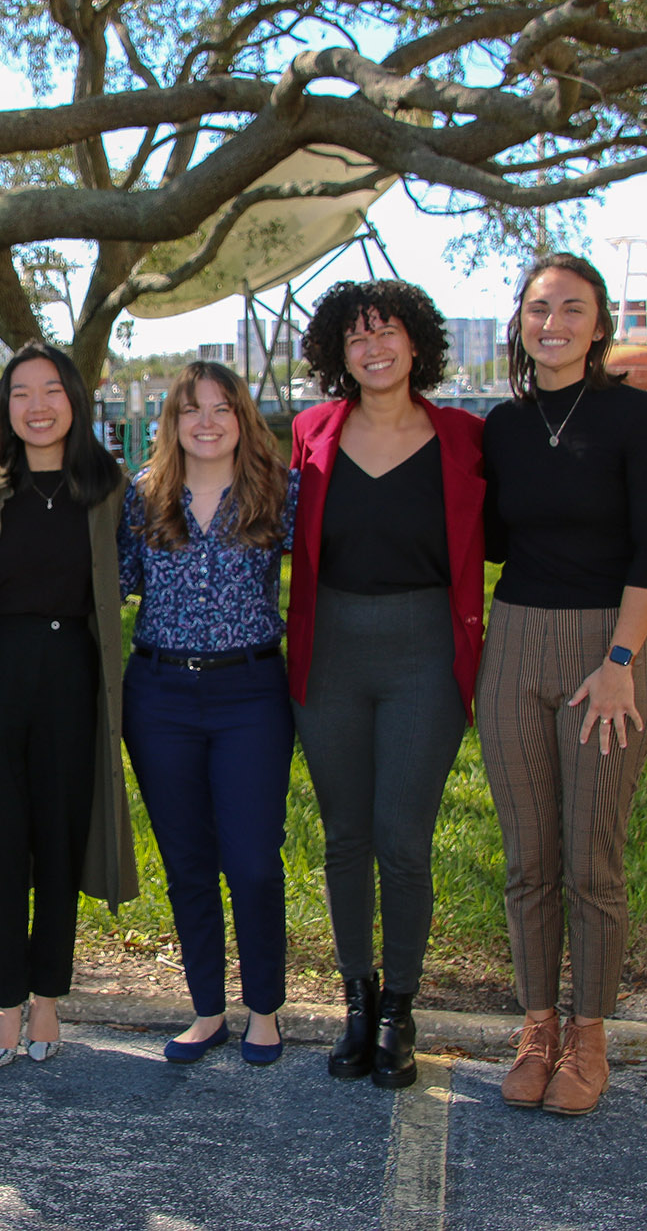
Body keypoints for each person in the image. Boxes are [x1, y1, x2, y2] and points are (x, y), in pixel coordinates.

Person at [479, 253, 647, 1116]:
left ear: (598, 324)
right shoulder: (502, 425)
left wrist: (622, 664)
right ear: (518, 321)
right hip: (515, 642)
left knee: (591, 861)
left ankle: (589, 1033)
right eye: (537, 308)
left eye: (571, 308)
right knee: (528, 859)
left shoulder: (637, 416)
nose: (552, 321)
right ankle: (536, 1028)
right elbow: (486, 539)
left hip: (610, 650)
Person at [288, 281, 487, 1090]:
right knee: (345, 838)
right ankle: (357, 1002)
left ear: (417, 344)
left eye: (389, 332)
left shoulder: (467, 439)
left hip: (423, 653)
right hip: (330, 647)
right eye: (357, 336)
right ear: (339, 351)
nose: (374, 347)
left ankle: (402, 1007)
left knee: (402, 838)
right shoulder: (309, 431)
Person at [0, 342, 137, 1069]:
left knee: (59, 839)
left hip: (71, 676)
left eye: (51, 390)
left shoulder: (109, 486)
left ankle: (51, 999)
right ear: (4, 408)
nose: (36, 405)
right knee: (0, 843)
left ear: (75, 399)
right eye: (19, 392)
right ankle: (3, 1001)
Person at [119, 360, 297, 1066]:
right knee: (187, 860)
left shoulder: (281, 493)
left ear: (242, 417)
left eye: (222, 407)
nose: (207, 421)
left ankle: (264, 1009)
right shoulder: (143, 498)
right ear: (173, 421)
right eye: (192, 408)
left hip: (250, 693)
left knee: (252, 860)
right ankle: (207, 1009)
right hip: (159, 695)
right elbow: (118, 584)